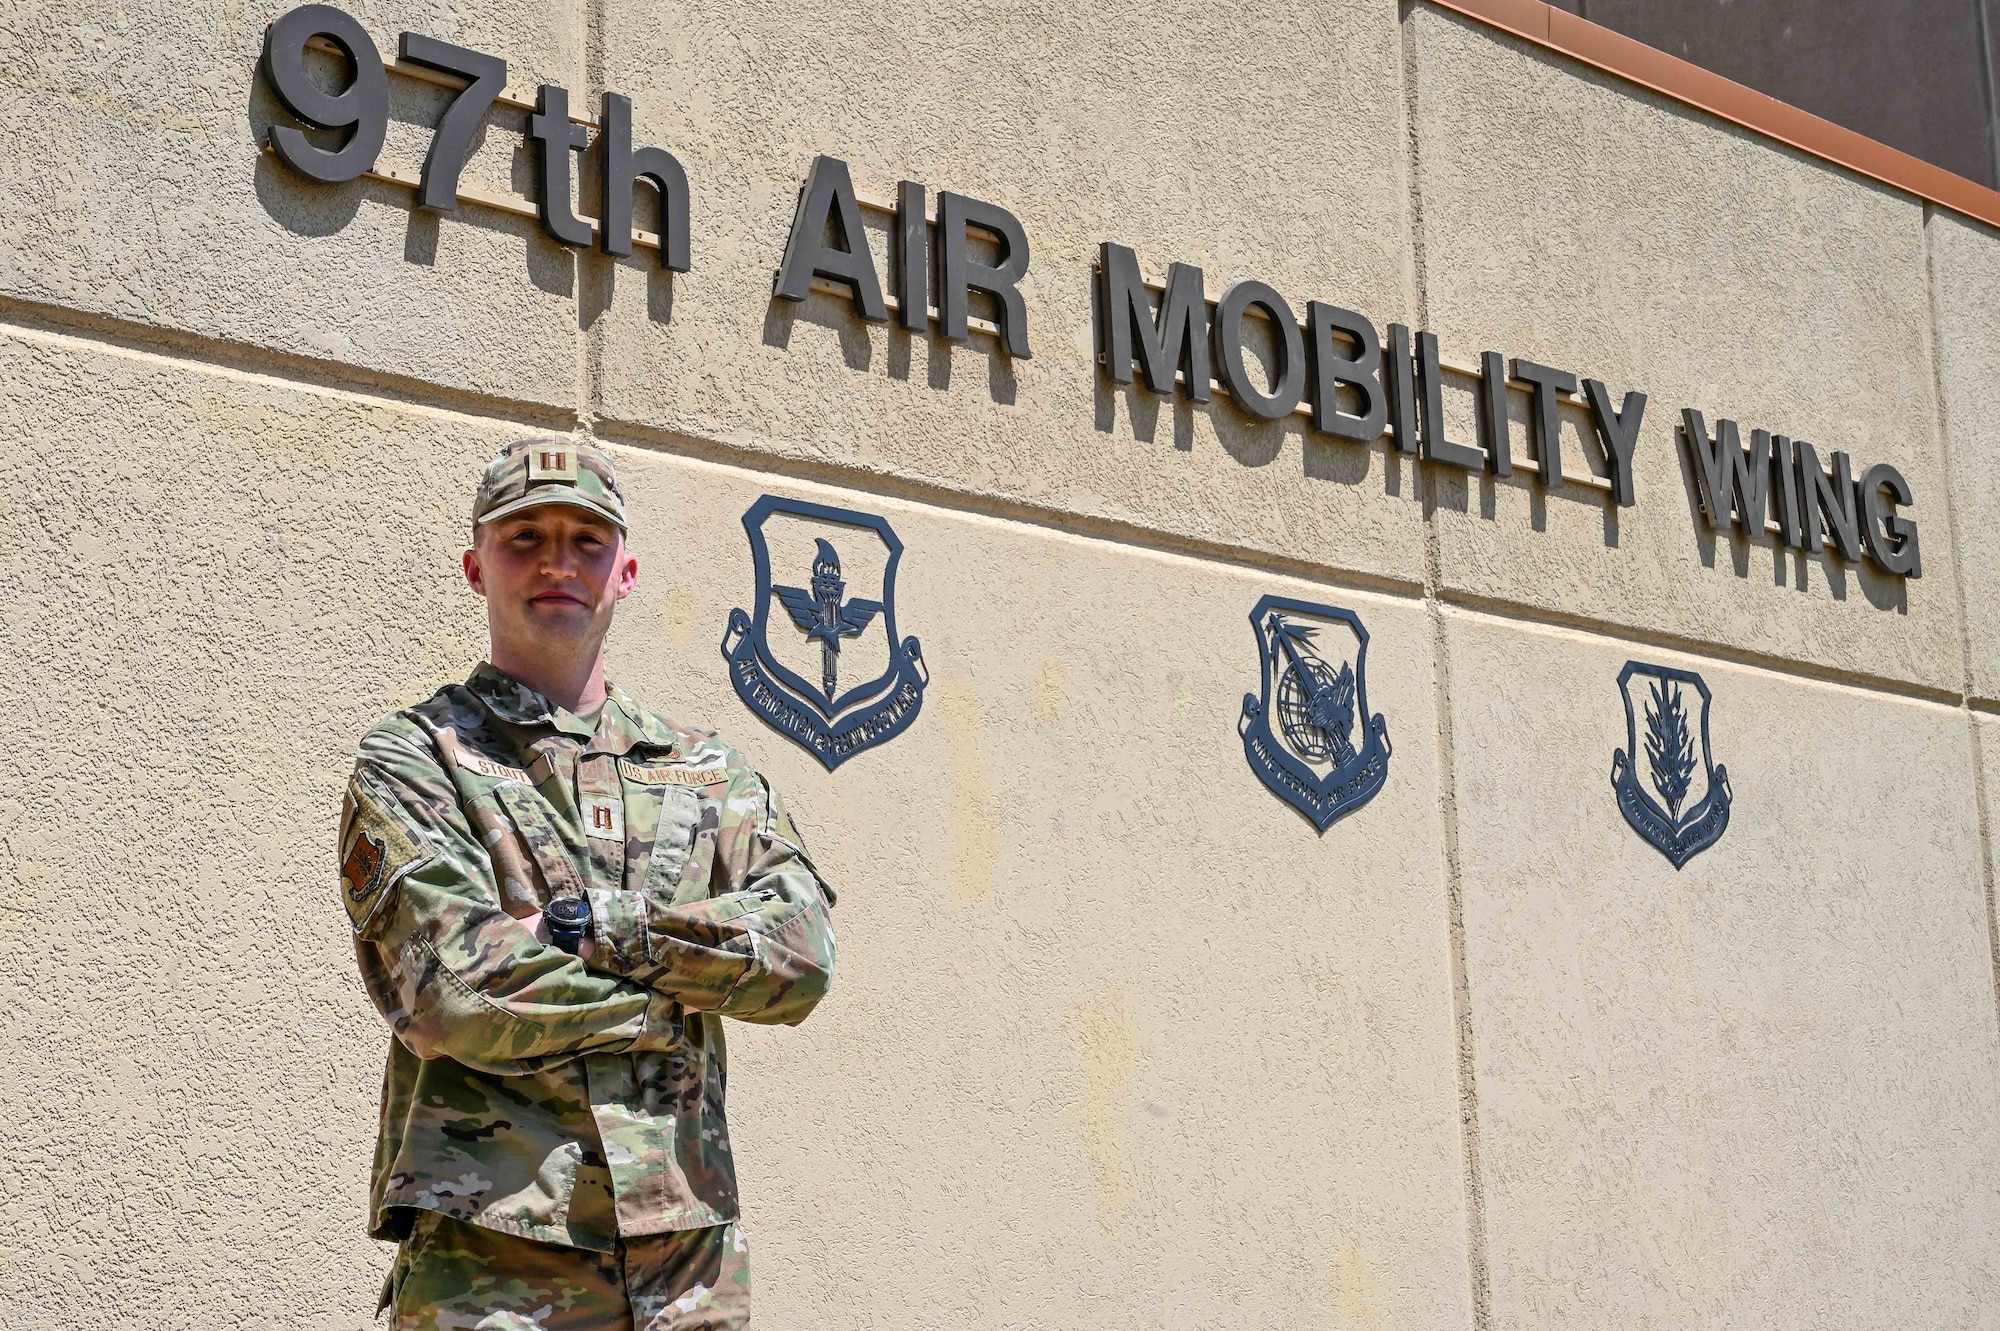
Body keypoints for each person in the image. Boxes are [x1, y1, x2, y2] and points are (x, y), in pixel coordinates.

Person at [336, 438, 837, 1330]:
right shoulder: (415, 757)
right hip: (496, 1267)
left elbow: (803, 955)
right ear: (474, 566)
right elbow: (452, 991)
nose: (557, 561)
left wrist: (587, 930)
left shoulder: (704, 771)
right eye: (523, 537)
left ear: (627, 570)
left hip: (691, 1270)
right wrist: (679, 997)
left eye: (586, 539)